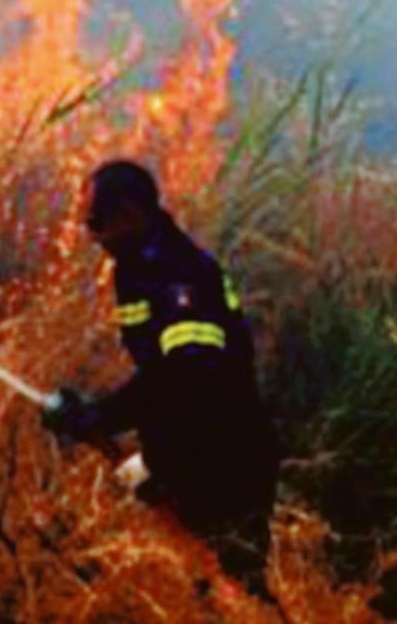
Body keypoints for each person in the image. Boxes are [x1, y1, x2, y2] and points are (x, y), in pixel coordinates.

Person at [43, 159, 280, 598]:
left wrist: (154, 460)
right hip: (195, 452)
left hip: (228, 458)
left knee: (235, 594)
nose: (92, 236)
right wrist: (98, 417)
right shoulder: (136, 267)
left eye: (97, 222)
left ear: (130, 214)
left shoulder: (179, 274)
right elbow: (160, 376)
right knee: (200, 591)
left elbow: (193, 380)